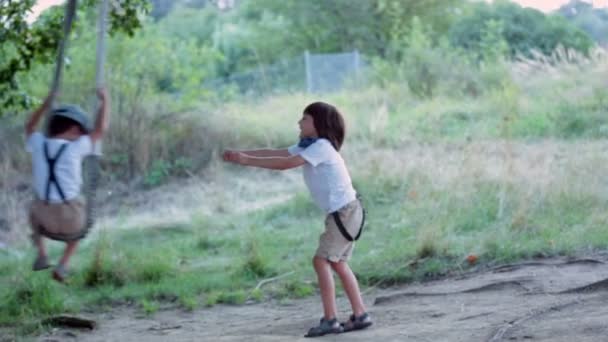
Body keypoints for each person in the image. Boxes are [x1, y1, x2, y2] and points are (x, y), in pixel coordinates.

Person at [223, 101, 372, 337]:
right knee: (337, 263)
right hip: (346, 213)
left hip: (345, 213)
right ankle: (360, 314)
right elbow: (279, 153)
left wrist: (246, 161)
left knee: (321, 261)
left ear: (318, 124)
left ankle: (331, 319)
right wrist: (244, 155)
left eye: (305, 118)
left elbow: (285, 164)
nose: (299, 122)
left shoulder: (321, 146)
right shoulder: (309, 145)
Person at [25, 88, 109, 283]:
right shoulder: (76, 147)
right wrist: (106, 100)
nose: (81, 135)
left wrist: (45, 103)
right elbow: (101, 129)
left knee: (32, 209)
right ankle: (63, 264)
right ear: (72, 129)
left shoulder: (39, 143)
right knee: (83, 226)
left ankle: (42, 253)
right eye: (80, 131)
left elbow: (29, 126)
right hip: (71, 219)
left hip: (44, 218)